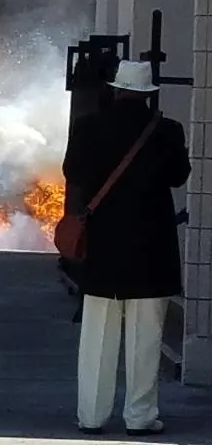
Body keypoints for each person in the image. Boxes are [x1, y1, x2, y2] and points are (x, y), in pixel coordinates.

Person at [62, 60, 191, 437]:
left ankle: (92, 415)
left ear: (116, 90)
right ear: (148, 94)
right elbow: (178, 176)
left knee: (97, 338)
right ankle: (140, 416)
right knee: (146, 340)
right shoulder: (167, 130)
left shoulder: (88, 127)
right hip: (151, 248)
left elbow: (73, 173)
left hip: (103, 246)